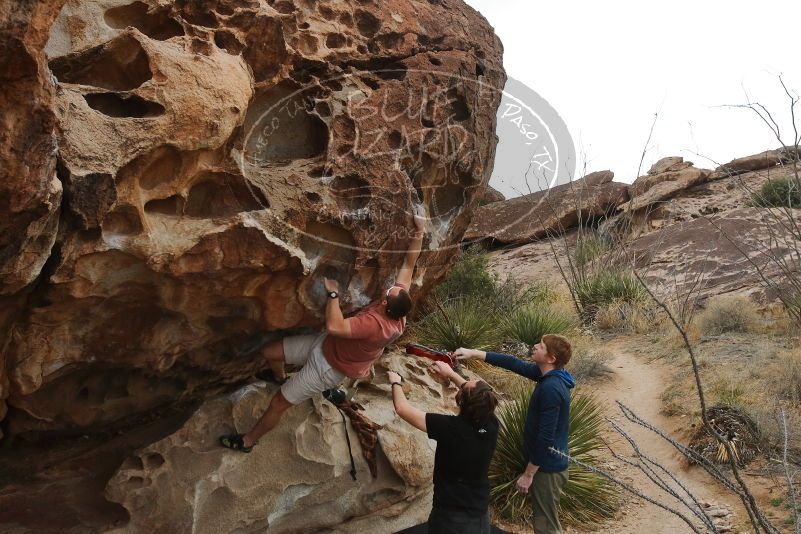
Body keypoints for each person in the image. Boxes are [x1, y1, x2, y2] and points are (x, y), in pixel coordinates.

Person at [219, 214, 426, 452]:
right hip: (326, 345)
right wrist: (418, 231)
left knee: (278, 403)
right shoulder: (398, 308)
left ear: (386, 306)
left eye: (388, 292)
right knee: (270, 352)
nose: (390, 288)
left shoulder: (375, 324)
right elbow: (409, 264)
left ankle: (247, 441)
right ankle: (279, 378)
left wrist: (333, 294)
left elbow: (336, 326)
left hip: (327, 367)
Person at [455, 334, 574, 534]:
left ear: (551, 358)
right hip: (546, 465)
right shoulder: (549, 375)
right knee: (544, 521)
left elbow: (546, 437)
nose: (535, 346)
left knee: (546, 526)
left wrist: (528, 474)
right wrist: (473, 353)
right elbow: (512, 363)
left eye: (541, 346)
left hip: (547, 469)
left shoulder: (552, 388)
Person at [387, 361, 499, 534]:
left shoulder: (451, 428)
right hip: (479, 512)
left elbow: (402, 409)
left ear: (462, 400)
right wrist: (450, 373)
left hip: (451, 517)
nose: (465, 381)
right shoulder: (491, 424)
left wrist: (395, 382)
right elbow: (475, 395)